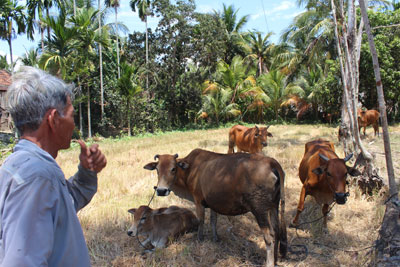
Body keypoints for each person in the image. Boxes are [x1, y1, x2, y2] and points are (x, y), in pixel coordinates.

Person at [0, 67, 107, 266]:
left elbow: (63, 206)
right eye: (71, 115)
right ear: (54, 119)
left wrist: (86, 173)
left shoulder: (18, 164)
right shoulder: (37, 177)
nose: (74, 125)